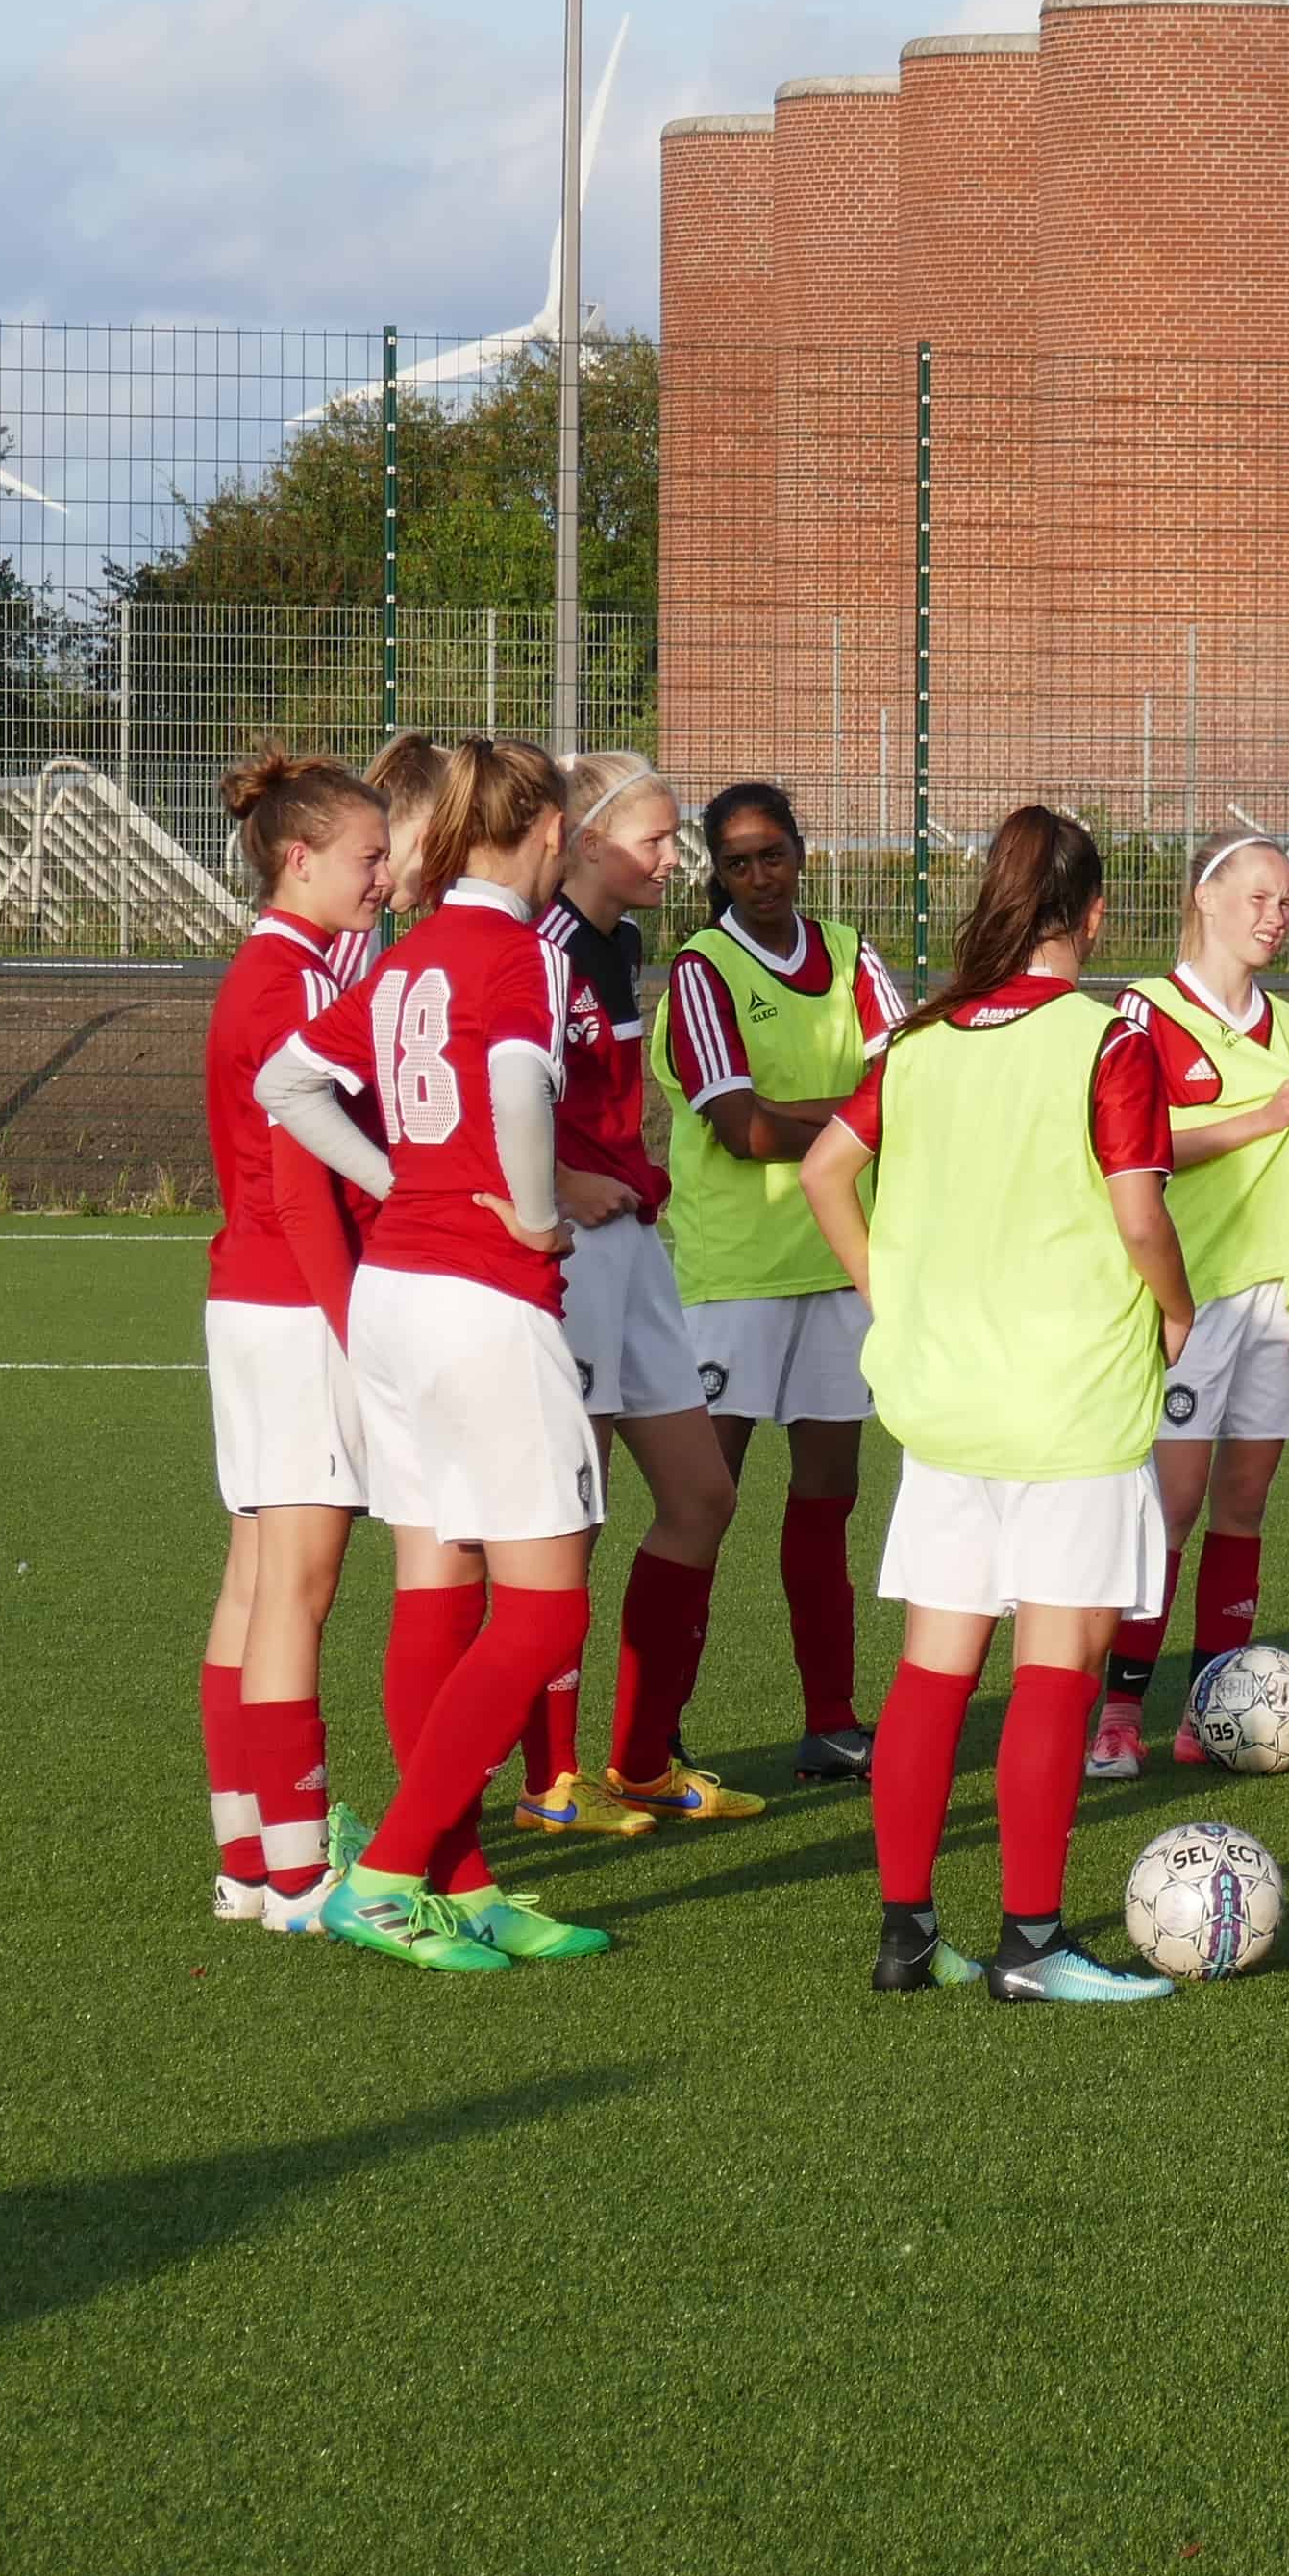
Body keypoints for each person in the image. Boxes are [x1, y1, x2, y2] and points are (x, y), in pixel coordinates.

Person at [796, 806, 1197, 2006]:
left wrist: (891, 1295)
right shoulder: (1106, 1041)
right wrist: (1176, 1310)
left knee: (932, 1670)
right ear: (1094, 915)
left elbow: (824, 1170)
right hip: (1068, 1400)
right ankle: (1030, 1944)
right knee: (1056, 1668)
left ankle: (908, 1933)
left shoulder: (918, 1042)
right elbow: (1138, 1213)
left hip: (946, 1401)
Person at [254, 733, 617, 1974]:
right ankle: (396, 1864)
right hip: (479, 1302)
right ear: (551, 833)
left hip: (395, 1299)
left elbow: (291, 1085)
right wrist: (528, 1206)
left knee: (438, 1583)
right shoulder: (513, 949)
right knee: (545, 1606)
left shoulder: (410, 958)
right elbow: (519, 1083)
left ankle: (460, 1882)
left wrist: (399, 1176)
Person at [657, 779, 913, 1784]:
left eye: (773, 854)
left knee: (829, 1496)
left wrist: (838, 1112)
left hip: (840, 1261)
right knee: (702, 1502)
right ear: (715, 873)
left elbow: (914, 1081)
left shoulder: (851, 955)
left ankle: (831, 1719)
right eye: (737, 861)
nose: (759, 876)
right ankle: (656, 1735)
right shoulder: (701, 969)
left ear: (802, 852)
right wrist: (856, 1116)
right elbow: (740, 1126)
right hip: (734, 1279)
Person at [524, 751, 757, 1834]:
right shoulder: (540, 949)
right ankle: (547, 1784)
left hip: (634, 1251)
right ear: (583, 840)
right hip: (564, 1251)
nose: (677, 858)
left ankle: (643, 1761)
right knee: (565, 1521)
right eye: (655, 840)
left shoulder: (620, 944)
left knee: (702, 1497)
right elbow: (495, 1096)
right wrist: (560, 1181)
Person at [1096, 829, 1289, 1779]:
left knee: (1243, 1502)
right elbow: (1131, 1151)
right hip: (1185, 1296)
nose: (1274, 917)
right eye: (1257, 898)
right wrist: (1252, 1119)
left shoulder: (1287, 1021)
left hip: (1277, 1291)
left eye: (1285, 902)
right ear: (1204, 898)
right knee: (1172, 1504)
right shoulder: (1141, 1012)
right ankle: (1118, 1709)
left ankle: (1211, 1706)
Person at [194, 748, 386, 1932]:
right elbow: (302, 1172)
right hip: (299, 1301)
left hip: (247, 1302)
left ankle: (250, 1857)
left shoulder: (273, 972)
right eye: (370, 860)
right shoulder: (296, 987)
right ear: (299, 859)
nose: (386, 880)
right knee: (296, 1592)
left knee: (256, 1579)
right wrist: (357, 1323)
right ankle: (302, 1874)